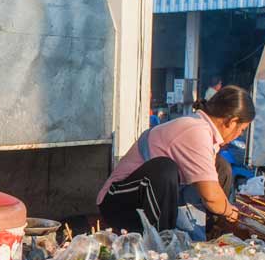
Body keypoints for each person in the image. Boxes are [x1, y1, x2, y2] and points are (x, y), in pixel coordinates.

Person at [97, 86, 253, 233]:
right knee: (165, 169)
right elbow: (211, 197)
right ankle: (163, 242)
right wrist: (231, 211)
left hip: (149, 200)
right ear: (232, 122)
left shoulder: (206, 134)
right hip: (118, 202)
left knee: (221, 167)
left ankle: (207, 238)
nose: (239, 134)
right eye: (242, 129)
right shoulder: (196, 131)